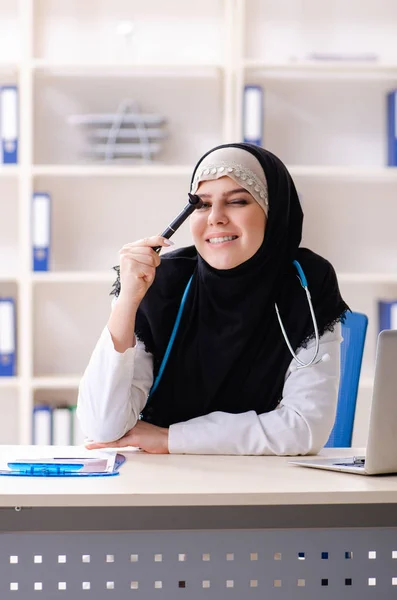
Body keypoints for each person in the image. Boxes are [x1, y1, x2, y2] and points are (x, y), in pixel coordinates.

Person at [77, 143, 349, 455]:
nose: (216, 218)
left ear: (273, 213)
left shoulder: (307, 281)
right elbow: (102, 427)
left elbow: (304, 428)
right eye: (202, 205)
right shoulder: (162, 281)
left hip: (267, 484)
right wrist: (127, 300)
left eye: (237, 201)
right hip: (160, 482)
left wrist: (168, 439)